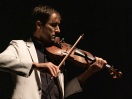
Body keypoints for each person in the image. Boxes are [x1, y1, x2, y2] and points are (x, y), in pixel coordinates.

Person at [0, 5, 107, 99]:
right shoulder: (19, 46)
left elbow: (62, 93)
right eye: (53, 25)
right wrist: (35, 65)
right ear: (39, 25)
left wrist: (89, 72)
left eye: (58, 25)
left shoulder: (57, 55)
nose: (58, 30)